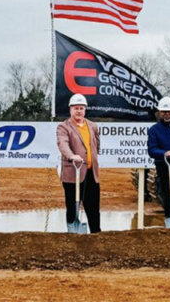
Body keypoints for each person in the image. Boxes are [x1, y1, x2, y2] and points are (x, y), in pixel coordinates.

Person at [56, 93, 101, 233]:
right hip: (73, 173)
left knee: (93, 208)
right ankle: (72, 233)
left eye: (81, 108)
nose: (79, 111)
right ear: (70, 109)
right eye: (76, 108)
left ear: (85, 109)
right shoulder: (63, 127)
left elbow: (96, 145)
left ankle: (96, 234)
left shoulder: (93, 126)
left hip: (91, 174)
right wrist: (71, 156)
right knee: (72, 206)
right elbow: (62, 144)